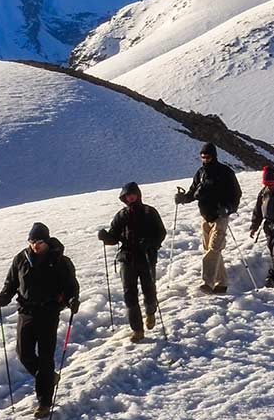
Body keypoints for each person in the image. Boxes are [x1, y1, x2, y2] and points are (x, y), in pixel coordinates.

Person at [0, 222, 79, 419]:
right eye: (31, 242)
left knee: (46, 356)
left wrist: (72, 299)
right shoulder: (21, 259)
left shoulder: (60, 261)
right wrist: (2, 298)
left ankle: (44, 402)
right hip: (26, 312)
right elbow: (12, 283)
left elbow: (71, 286)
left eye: (38, 242)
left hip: (49, 313)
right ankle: (49, 379)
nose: (35, 246)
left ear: (46, 241)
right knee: (24, 353)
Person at [99, 181, 166, 340]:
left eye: (133, 194)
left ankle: (150, 312)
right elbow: (114, 237)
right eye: (127, 195)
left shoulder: (150, 212)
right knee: (129, 294)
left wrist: (150, 243)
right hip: (127, 258)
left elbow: (161, 233)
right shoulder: (122, 215)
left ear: (138, 194)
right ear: (124, 197)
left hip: (147, 257)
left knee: (149, 289)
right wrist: (106, 238)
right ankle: (137, 330)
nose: (130, 197)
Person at [176, 143, 241, 293]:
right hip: (205, 217)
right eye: (203, 156)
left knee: (213, 249)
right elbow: (193, 193)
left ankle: (208, 283)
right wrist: (182, 198)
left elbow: (236, 194)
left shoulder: (225, 172)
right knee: (211, 250)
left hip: (220, 216)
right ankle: (222, 283)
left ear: (214, 156)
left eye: (208, 156)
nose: (205, 159)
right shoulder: (200, 173)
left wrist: (228, 208)